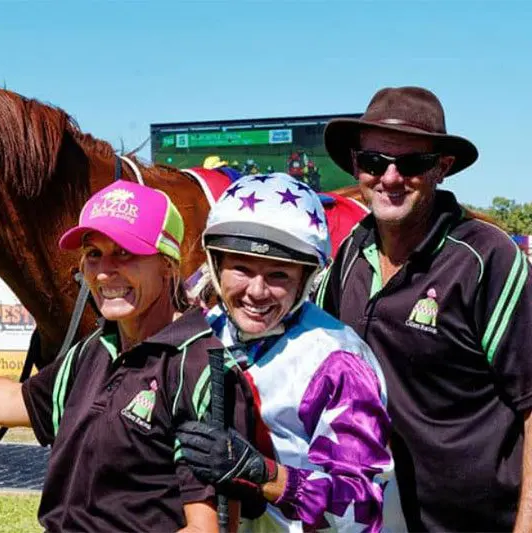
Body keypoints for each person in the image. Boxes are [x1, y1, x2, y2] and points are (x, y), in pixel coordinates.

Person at [0, 180, 252, 532]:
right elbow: (15, 402)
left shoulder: (202, 367)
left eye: (125, 252)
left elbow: (207, 528)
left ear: (168, 264)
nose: (105, 272)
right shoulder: (95, 348)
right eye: (93, 254)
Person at [315, 86, 532, 531]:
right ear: (357, 165)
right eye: (374, 162)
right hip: (376, 520)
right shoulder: (351, 252)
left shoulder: (485, 258)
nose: (390, 178)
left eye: (411, 163)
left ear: (442, 169)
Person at [174, 173, 402, 531]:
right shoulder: (204, 331)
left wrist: (266, 475)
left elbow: (360, 504)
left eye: (279, 274)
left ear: (306, 278)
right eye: (242, 269)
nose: (257, 292)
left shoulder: (338, 361)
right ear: (216, 265)